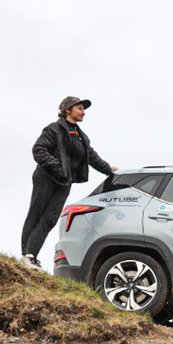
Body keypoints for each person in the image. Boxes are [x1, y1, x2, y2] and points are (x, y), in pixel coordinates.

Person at [20, 96, 115, 267]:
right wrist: (58, 168)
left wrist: (109, 170)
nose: (83, 112)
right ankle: (26, 255)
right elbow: (38, 150)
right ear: (67, 110)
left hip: (64, 181)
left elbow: (92, 157)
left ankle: (31, 255)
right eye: (79, 108)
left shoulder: (81, 136)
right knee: (37, 213)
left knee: (50, 218)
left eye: (83, 109)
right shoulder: (54, 129)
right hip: (47, 176)